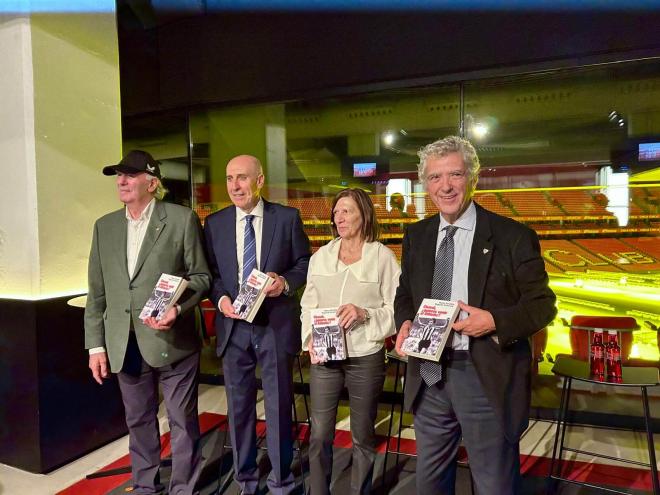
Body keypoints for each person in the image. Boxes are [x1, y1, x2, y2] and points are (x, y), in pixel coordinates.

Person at [394, 136, 556, 494]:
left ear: (473, 177)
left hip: (483, 375)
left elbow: (543, 304)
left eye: (455, 174)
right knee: (430, 483)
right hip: (429, 375)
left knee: (493, 484)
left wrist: (495, 321)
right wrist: (404, 322)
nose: (445, 186)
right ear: (426, 184)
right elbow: (405, 293)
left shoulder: (512, 236)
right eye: (435, 177)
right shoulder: (416, 236)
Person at [84, 150, 211, 495]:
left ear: (152, 183)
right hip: (124, 344)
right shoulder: (104, 226)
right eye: (118, 176)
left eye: (130, 175)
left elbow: (201, 277)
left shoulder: (181, 219)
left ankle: (184, 488)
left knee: (182, 422)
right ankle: (144, 486)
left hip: (175, 342)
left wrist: (178, 309)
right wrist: (96, 346)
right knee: (138, 421)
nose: (121, 181)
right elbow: (97, 294)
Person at [204, 155, 310, 495]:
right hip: (234, 329)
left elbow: (304, 263)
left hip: (274, 326)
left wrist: (285, 282)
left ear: (260, 180)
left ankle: (281, 480)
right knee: (239, 409)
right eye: (230, 178)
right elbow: (214, 277)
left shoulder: (287, 217)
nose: (235, 185)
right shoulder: (215, 223)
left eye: (242, 178)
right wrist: (221, 301)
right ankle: (246, 479)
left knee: (278, 406)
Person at [301, 188, 401, 494]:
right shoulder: (320, 258)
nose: (339, 218)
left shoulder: (382, 257)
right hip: (325, 357)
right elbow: (308, 305)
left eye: (347, 211)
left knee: (362, 436)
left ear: (364, 215)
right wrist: (311, 342)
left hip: (365, 357)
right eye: (336, 212)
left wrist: (365, 314)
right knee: (319, 435)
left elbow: (397, 308)